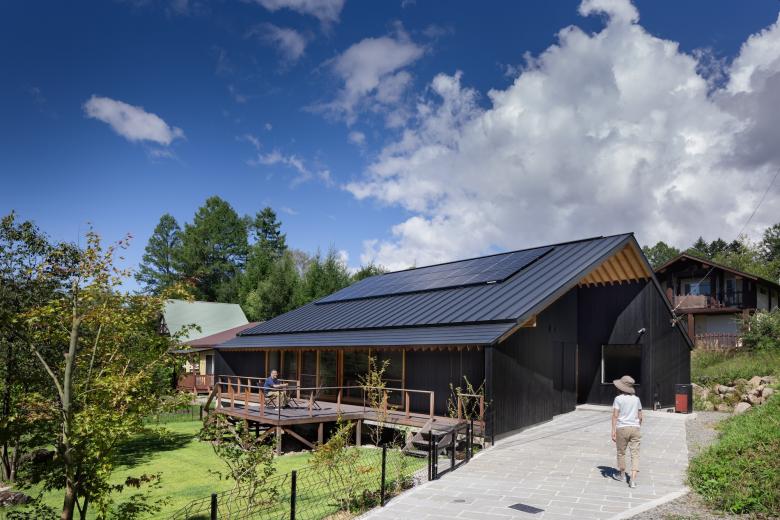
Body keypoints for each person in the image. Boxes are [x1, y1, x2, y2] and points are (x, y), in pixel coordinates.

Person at [611, 375, 642, 488]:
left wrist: (613, 430)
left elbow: (615, 416)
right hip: (635, 428)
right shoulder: (636, 399)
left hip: (622, 428)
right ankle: (632, 480)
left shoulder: (618, 399)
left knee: (621, 452)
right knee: (635, 454)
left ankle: (622, 474)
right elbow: (640, 416)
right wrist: (637, 426)